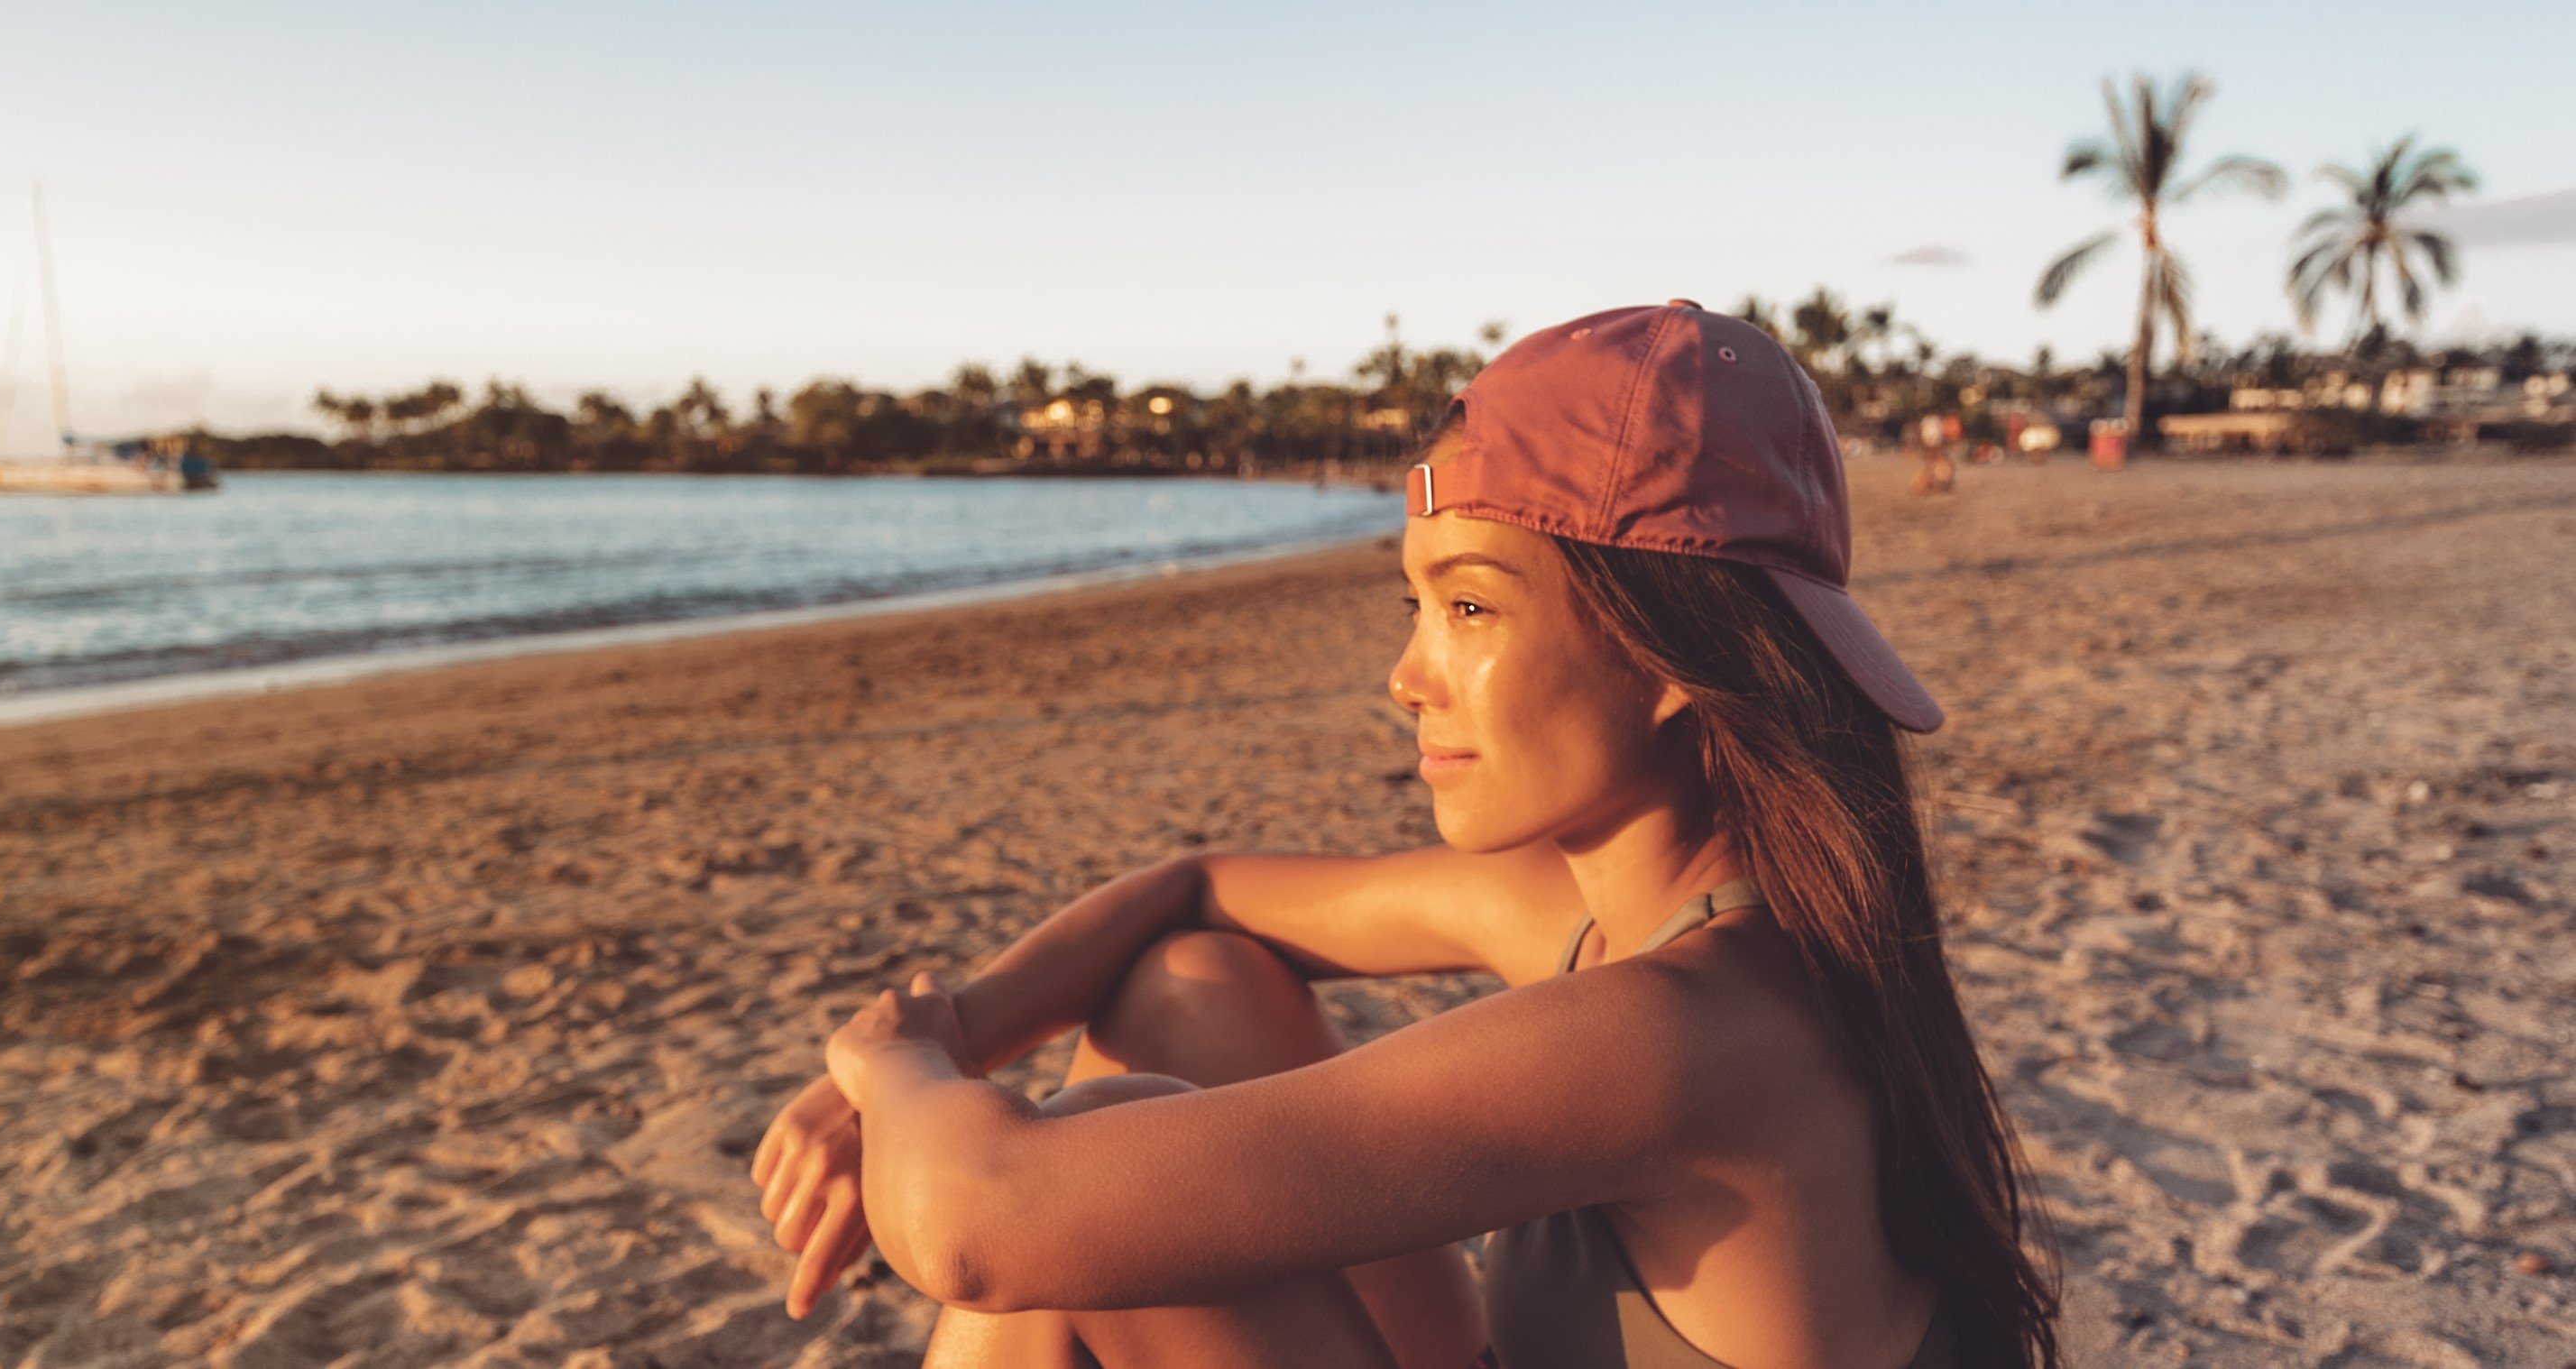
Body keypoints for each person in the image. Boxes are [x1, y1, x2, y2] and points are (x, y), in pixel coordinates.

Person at [752, 301, 2062, 1369]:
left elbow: (975, 1220)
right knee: (1193, 988)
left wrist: (894, 1054)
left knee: (1062, 1225)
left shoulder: (1685, 1030)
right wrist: (976, 1021)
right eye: (1417, 602)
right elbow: (1197, 887)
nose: (1407, 675)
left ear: (1673, 656)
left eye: (1472, 610)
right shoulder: (1654, 916)